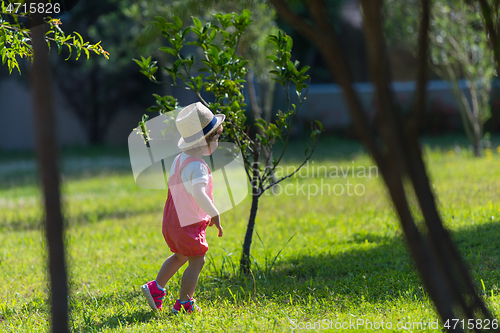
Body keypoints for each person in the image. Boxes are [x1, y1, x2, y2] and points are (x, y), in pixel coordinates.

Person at [141, 102, 225, 314]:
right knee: (197, 261)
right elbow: (198, 193)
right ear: (205, 141)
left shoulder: (180, 160)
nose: (218, 142)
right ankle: (185, 303)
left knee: (181, 255)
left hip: (172, 221)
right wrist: (214, 212)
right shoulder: (198, 167)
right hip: (188, 224)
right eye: (217, 137)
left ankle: (156, 288)